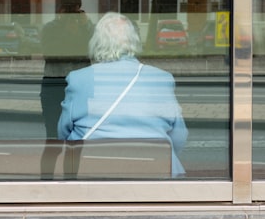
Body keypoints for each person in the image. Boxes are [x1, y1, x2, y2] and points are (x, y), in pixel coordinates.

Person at [58, 12, 187, 177]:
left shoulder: (79, 79)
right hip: (154, 176)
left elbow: (64, 133)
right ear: (134, 41)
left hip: (94, 175)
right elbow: (179, 136)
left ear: (96, 43)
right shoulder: (161, 78)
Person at [39, 0, 93, 139]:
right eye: (67, 9)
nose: (71, 15)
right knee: (52, 135)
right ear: (61, 10)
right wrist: (66, 33)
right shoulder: (51, 28)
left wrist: (86, 26)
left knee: (77, 138)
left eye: (74, 10)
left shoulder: (86, 29)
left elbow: (94, 51)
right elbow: (48, 54)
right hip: (55, 84)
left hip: (79, 85)